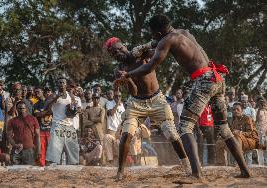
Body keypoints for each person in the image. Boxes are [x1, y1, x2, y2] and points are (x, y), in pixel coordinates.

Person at [118, 14, 250, 178]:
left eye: (153, 34)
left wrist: (128, 75)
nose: (153, 38)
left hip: (205, 80)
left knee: (184, 127)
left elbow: (149, 67)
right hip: (217, 78)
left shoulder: (166, 41)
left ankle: (196, 173)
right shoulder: (184, 32)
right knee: (224, 128)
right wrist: (146, 46)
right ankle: (245, 170)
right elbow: (156, 44)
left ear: (158, 33)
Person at [104, 36, 189, 180]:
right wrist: (127, 79)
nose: (115, 56)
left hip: (157, 99)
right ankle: (120, 171)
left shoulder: (140, 54)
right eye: (112, 55)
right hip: (136, 102)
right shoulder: (119, 69)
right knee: (126, 134)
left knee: (172, 134)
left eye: (116, 52)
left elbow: (157, 51)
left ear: (122, 47)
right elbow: (134, 92)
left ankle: (186, 165)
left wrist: (151, 47)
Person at [45, 77, 80, 165]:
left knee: (72, 147)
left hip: (69, 124)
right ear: (57, 84)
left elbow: (74, 107)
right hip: (57, 123)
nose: (61, 84)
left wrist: (74, 110)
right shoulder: (53, 94)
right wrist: (55, 98)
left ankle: (72, 166)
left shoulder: (70, 95)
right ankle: (54, 166)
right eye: (59, 82)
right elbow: (46, 105)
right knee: (55, 148)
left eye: (63, 82)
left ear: (66, 84)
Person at [104, 90, 125, 164]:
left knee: (118, 143)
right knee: (106, 137)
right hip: (112, 131)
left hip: (120, 131)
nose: (118, 98)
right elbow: (111, 113)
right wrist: (116, 104)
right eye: (116, 96)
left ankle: (119, 161)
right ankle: (110, 161)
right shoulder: (109, 103)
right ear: (113, 97)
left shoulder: (123, 105)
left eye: (119, 96)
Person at [33, 87, 52, 166]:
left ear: (42, 92)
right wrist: (48, 110)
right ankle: (42, 168)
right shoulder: (35, 104)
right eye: (35, 92)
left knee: (51, 151)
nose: (37, 93)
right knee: (41, 150)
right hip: (41, 130)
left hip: (51, 130)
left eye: (38, 91)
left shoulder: (51, 102)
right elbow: (38, 114)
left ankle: (51, 169)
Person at [255, 97, 267, 165]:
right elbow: (256, 120)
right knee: (260, 147)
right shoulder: (256, 110)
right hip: (259, 131)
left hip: (266, 131)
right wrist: (259, 109)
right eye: (261, 104)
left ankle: (266, 161)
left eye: (264, 104)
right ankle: (261, 163)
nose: (263, 105)